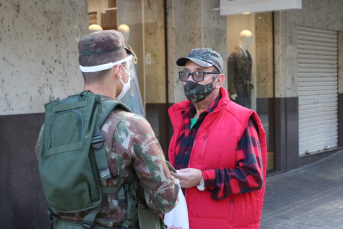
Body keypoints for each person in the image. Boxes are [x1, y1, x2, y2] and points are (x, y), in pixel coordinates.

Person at [35, 30, 179, 228]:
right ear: (118, 70)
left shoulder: (52, 124)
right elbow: (165, 201)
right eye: (128, 67)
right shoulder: (131, 125)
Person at [168, 48, 267, 229]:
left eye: (199, 74)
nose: (190, 80)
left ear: (219, 80)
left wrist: (203, 178)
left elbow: (252, 176)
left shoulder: (241, 120)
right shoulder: (182, 117)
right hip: (183, 220)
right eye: (187, 74)